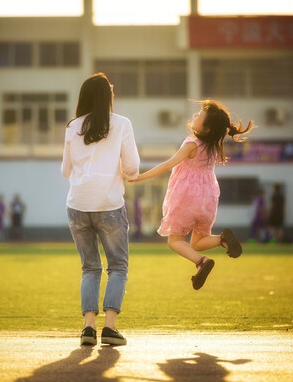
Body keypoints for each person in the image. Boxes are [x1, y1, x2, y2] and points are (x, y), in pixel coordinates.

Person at [131, 99, 254, 290]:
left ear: (206, 130)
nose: (195, 115)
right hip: (208, 200)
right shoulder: (213, 148)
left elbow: (167, 165)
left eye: (200, 115)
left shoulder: (191, 144)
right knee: (197, 242)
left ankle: (201, 262)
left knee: (174, 242)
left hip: (186, 199)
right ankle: (221, 240)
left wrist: (140, 177)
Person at [61, 73, 140, 347]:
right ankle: (110, 328)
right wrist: (121, 173)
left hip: (77, 205)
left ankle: (88, 328)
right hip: (109, 204)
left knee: (89, 268)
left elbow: (65, 170)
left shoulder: (72, 126)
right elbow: (131, 168)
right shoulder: (121, 124)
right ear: (107, 97)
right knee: (118, 266)